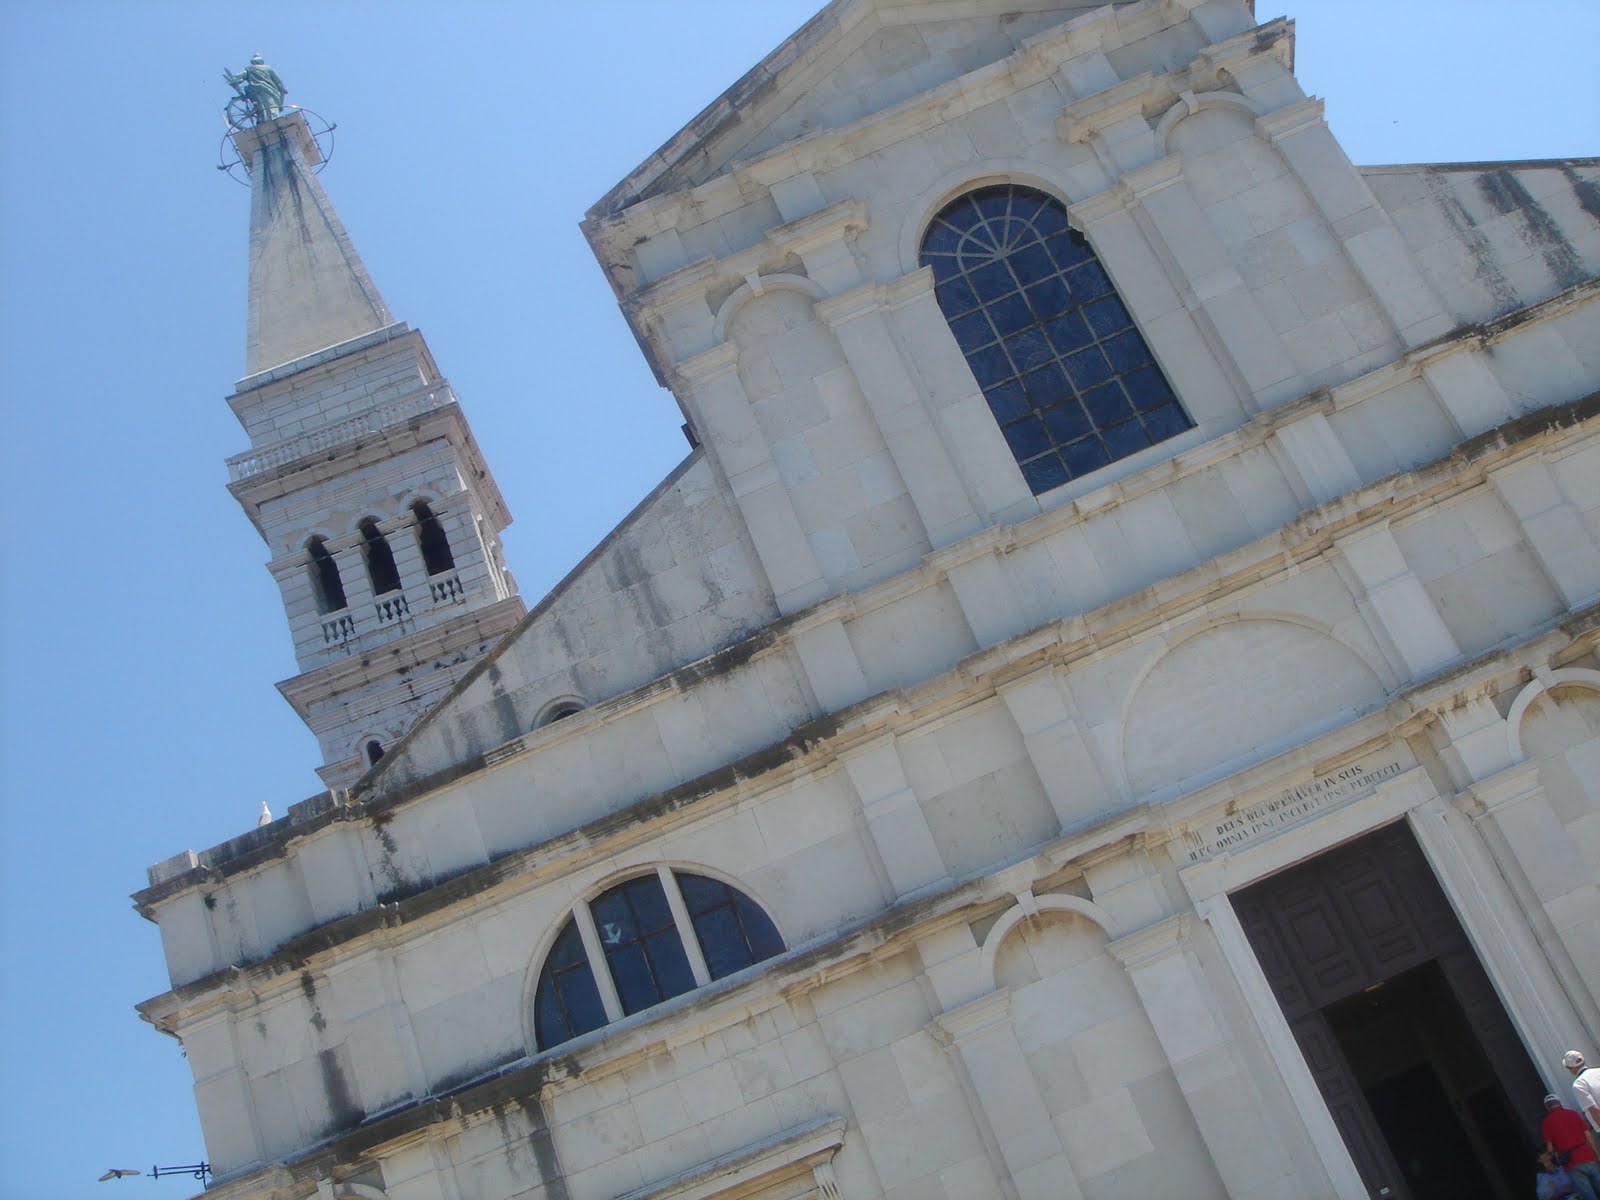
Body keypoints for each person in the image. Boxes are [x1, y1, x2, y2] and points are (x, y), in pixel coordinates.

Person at [1543, 1093, 1600, 1200]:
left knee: (1588, 1195)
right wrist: (1597, 1155)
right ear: (1560, 1103)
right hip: (1587, 1155)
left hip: (1570, 1163)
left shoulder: (1546, 1122)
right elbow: (1589, 1137)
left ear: (1547, 1107)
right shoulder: (1573, 1114)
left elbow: (1550, 1148)